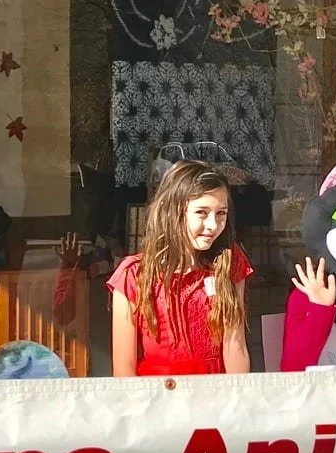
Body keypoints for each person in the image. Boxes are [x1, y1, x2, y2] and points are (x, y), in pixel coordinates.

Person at [107, 160, 252, 376]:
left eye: (221, 213)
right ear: (174, 212)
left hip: (214, 396)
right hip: (159, 398)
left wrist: (239, 401)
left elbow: (235, 345)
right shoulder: (133, 275)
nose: (213, 225)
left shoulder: (228, 263)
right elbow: (123, 367)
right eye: (202, 213)